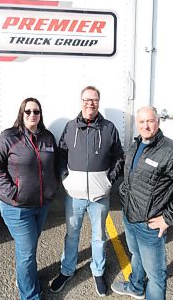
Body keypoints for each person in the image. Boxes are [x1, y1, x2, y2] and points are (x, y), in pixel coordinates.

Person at [111, 106, 173, 300]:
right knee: (135, 255)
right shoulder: (135, 146)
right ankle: (135, 287)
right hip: (130, 216)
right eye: (141, 122)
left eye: (150, 121)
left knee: (156, 275)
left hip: (150, 224)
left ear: (158, 122)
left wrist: (168, 218)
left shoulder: (171, 151)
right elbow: (130, 177)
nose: (146, 125)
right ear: (137, 125)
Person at [49, 86, 124, 297]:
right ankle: (67, 271)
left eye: (94, 100)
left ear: (99, 102)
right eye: (86, 99)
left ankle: (98, 272)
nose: (90, 103)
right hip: (75, 196)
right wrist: (65, 177)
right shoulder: (70, 127)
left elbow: (119, 156)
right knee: (72, 235)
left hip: (100, 196)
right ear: (80, 101)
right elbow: (61, 154)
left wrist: (109, 180)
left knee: (99, 236)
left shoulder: (109, 128)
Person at [0, 97, 59, 300]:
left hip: (42, 204)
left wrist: (54, 186)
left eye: (36, 112)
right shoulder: (9, 137)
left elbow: (55, 164)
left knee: (29, 247)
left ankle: (25, 277)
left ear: (40, 115)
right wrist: (12, 193)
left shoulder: (47, 137)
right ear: (22, 113)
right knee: (27, 251)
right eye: (28, 112)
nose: (32, 115)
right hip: (17, 208)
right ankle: (30, 295)